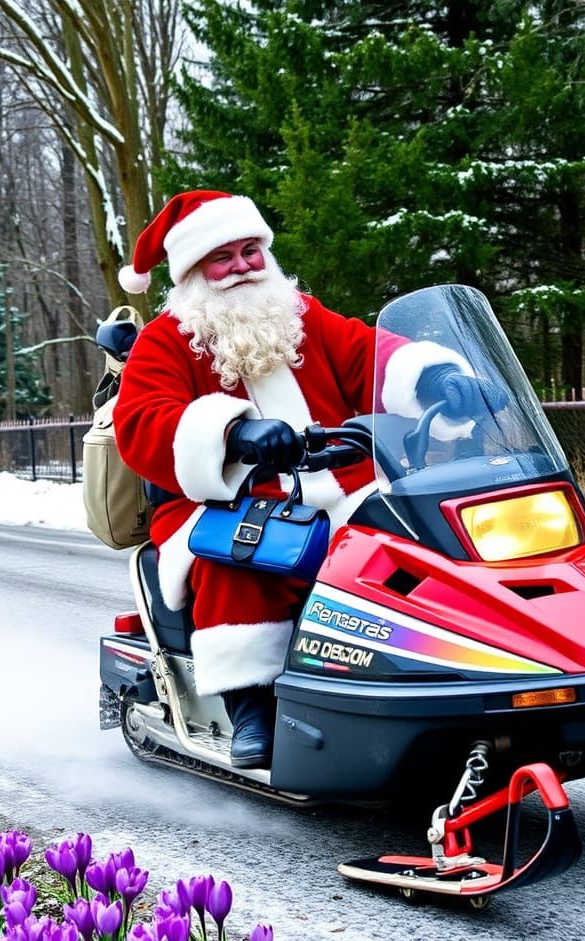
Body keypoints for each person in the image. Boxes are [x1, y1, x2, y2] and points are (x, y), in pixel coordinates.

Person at [113, 190, 492, 769]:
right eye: (223, 257)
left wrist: (437, 376)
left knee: (424, 539)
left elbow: (369, 351)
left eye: (250, 250)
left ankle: (442, 664)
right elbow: (141, 421)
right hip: (229, 499)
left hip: (345, 482)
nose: (242, 266)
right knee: (241, 566)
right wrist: (232, 435)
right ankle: (251, 704)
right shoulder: (166, 340)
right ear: (193, 272)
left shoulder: (301, 315)